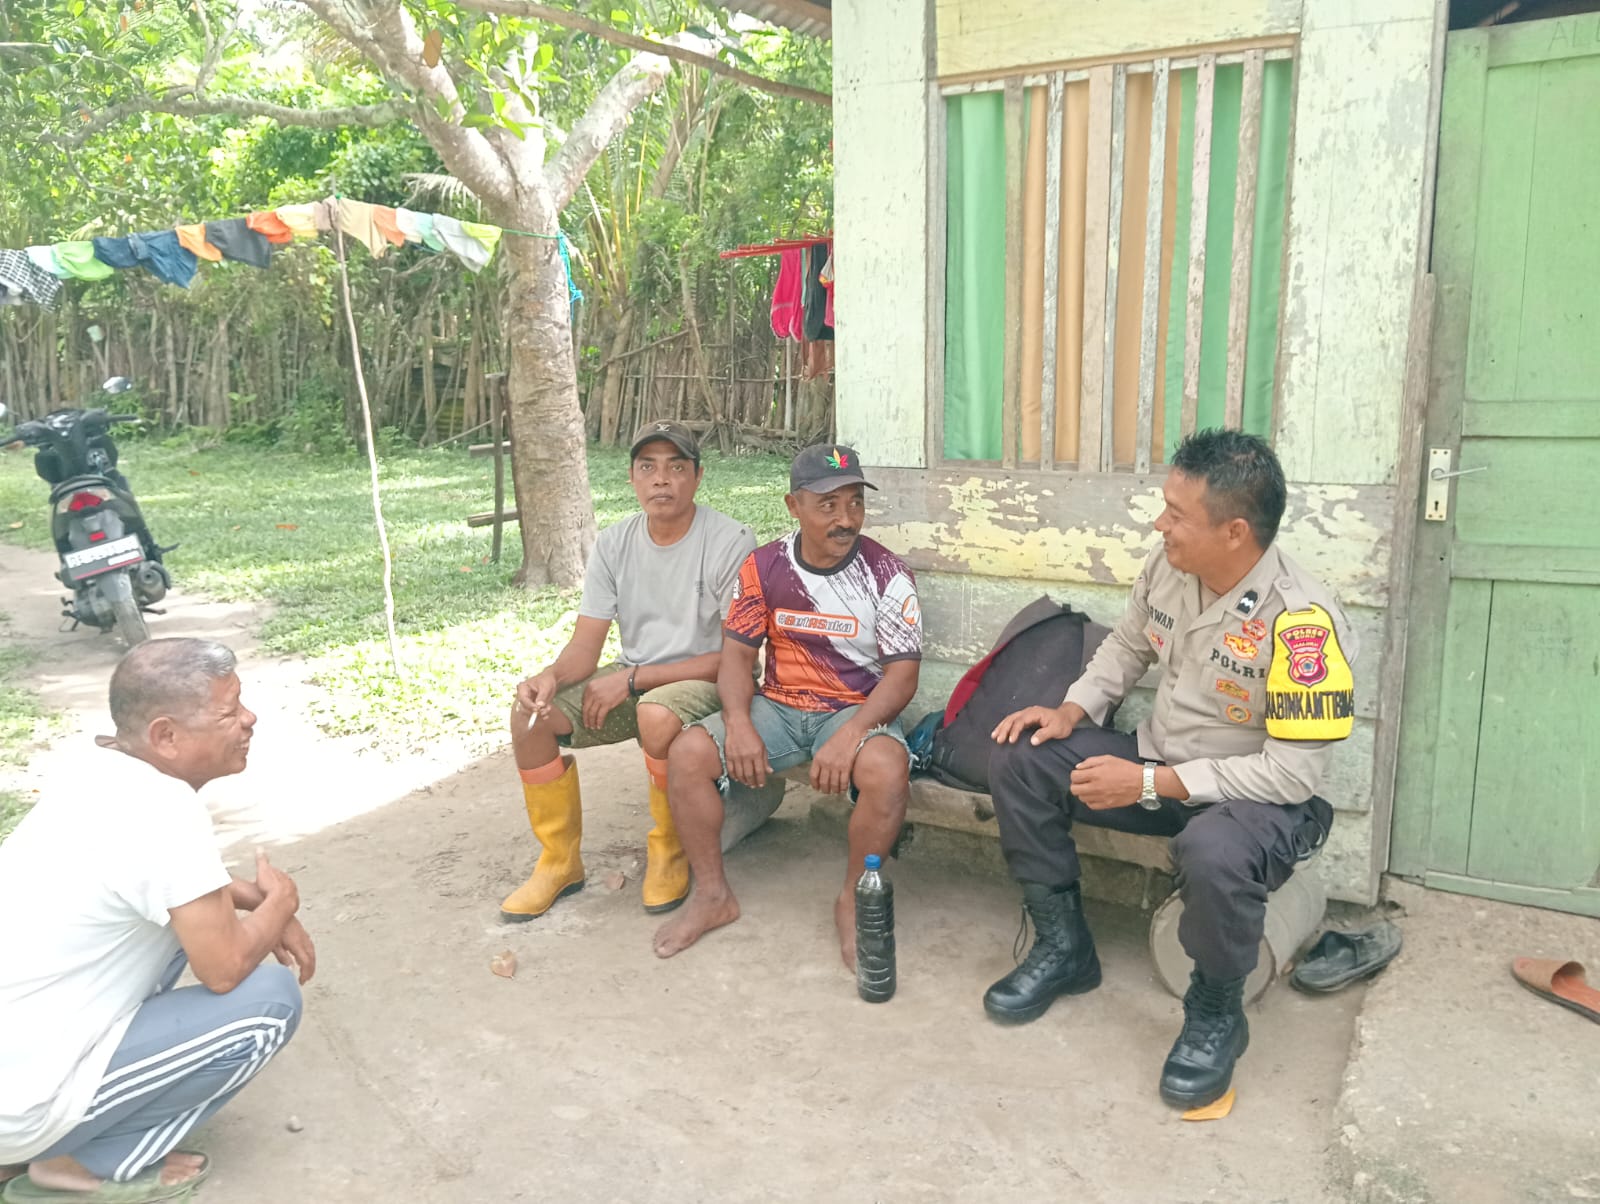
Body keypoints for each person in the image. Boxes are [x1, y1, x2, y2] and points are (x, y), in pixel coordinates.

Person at [984, 429, 1356, 1109]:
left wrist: (1151, 784)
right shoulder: (1170, 565)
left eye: (1177, 514)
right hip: (1158, 764)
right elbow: (1128, 646)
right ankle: (1064, 948)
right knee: (1020, 755)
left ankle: (1216, 1013)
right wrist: (1071, 710)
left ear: (1235, 532)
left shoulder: (1303, 622)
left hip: (1252, 803)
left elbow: (1293, 775)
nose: (1161, 524)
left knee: (1213, 851)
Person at [0, 639, 312, 1202]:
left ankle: (36, 1136)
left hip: (13, 1062)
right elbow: (224, 970)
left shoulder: (103, 772)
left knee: (180, 926)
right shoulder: (165, 811)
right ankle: (78, 1160)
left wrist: (248, 899)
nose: (249, 719)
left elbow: (167, 883)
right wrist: (279, 904)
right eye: (229, 712)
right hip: (19, 1104)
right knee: (269, 1003)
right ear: (166, 736)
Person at [653, 443, 922, 967]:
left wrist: (851, 735)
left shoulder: (888, 574)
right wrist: (737, 722)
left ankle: (853, 899)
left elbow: (902, 677)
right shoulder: (764, 566)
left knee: (887, 769)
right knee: (687, 754)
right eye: (828, 505)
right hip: (777, 707)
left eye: (855, 503)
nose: (846, 519)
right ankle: (712, 896)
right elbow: (736, 657)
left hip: (854, 709)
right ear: (793, 506)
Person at [504, 420, 760, 921]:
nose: (661, 479)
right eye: (648, 467)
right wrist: (550, 677)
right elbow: (585, 647)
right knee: (529, 716)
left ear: (698, 477)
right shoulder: (615, 543)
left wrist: (632, 679)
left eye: (676, 467)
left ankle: (669, 849)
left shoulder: (730, 540)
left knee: (656, 714)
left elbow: (737, 658)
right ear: (632, 478)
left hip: (709, 679)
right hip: (636, 675)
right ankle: (559, 861)